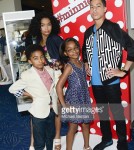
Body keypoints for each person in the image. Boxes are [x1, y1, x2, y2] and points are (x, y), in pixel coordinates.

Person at [82, 0, 134, 150]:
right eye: (92, 7)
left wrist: (124, 71)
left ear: (105, 9)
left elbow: (133, 47)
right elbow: (84, 50)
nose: (94, 10)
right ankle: (106, 139)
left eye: (98, 6)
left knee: (117, 112)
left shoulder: (112, 28)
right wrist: (87, 63)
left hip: (111, 81)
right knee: (102, 113)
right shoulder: (88, 31)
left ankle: (122, 141)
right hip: (95, 82)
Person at [9, 44, 61, 150]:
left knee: (50, 136)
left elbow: (56, 83)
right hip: (38, 112)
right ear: (30, 61)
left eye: (42, 57)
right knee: (39, 140)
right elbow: (12, 89)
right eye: (35, 58)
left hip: (51, 109)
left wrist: (57, 71)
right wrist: (28, 94)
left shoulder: (49, 70)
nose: (40, 60)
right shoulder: (27, 75)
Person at [28, 11, 66, 150]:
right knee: (36, 108)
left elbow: (65, 57)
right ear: (38, 27)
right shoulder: (35, 40)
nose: (46, 28)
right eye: (43, 25)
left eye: (49, 24)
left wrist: (60, 65)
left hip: (55, 79)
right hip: (39, 79)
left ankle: (57, 136)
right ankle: (32, 141)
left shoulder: (56, 39)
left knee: (56, 108)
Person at [56, 38, 93, 150]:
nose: (74, 51)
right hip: (73, 99)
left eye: (76, 48)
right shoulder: (69, 66)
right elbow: (58, 86)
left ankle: (86, 146)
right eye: (70, 50)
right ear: (65, 53)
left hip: (84, 98)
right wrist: (63, 104)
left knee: (86, 124)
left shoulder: (81, 63)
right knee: (73, 127)